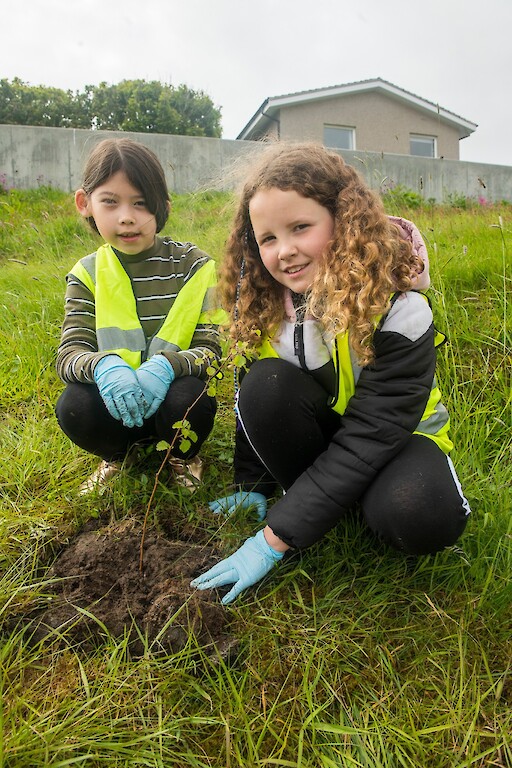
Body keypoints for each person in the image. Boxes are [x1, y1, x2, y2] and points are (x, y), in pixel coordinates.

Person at [191, 142, 470, 605]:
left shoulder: (400, 310)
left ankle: (337, 507)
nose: (286, 252)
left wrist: (273, 538)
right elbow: (253, 402)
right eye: (268, 239)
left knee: (421, 515)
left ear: (344, 221)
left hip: (397, 444)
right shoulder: (265, 307)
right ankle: (326, 506)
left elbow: (369, 436)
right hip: (329, 442)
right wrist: (252, 482)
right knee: (265, 383)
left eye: (301, 227)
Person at [55, 138, 224, 493]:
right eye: (110, 202)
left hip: (171, 395)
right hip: (115, 399)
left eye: (141, 203)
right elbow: (70, 354)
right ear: (85, 204)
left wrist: (167, 366)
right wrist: (103, 367)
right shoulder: (87, 274)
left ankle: (184, 455)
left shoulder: (195, 266)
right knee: (74, 405)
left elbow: (213, 349)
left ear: (163, 207)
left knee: (190, 396)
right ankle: (120, 453)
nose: (127, 216)